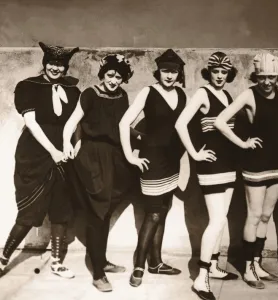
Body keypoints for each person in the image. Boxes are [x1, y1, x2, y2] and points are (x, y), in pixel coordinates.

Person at [0, 42, 80, 279]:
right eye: (53, 63)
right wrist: (53, 151)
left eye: (61, 65)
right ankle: (3, 259)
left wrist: (73, 144)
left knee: (61, 207)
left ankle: (56, 262)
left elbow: (75, 122)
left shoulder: (73, 90)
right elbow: (32, 123)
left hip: (63, 153)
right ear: (45, 64)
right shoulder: (28, 87)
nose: (57, 68)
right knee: (29, 210)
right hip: (35, 152)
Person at [63, 53, 140, 292]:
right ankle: (97, 273)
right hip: (93, 157)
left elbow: (123, 127)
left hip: (116, 157)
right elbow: (72, 121)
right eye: (110, 75)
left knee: (105, 212)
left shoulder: (122, 95)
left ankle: (101, 261)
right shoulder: (90, 94)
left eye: (118, 77)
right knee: (97, 213)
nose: (114, 80)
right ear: (102, 74)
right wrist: (68, 142)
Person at [215, 52, 278, 289]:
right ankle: (247, 269)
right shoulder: (248, 94)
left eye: (272, 77)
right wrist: (243, 143)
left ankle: (257, 263)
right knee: (254, 216)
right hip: (255, 165)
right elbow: (220, 121)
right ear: (256, 76)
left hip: (277, 163)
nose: (267, 82)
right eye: (262, 76)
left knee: (266, 216)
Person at [119, 49, 188, 287]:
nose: (170, 75)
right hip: (151, 162)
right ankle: (139, 265)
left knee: (165, 209)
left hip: (172, 162)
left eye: (174, 71)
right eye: (166, 71)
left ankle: (156, 262)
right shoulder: (148, 92)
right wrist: (131, 156)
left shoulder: (181, 94)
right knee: (154, 213)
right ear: (158, 71)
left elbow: (183, 129)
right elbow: (124, 123)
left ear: (179, 73)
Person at [175, 52, 239, 300]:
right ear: (209, 73)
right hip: (211, 166)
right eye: (216, 72)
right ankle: (201, 280)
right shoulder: (203, 93)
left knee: (221, 220)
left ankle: (213, 265)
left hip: (229, 164)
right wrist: (194, 153)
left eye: (224, 72)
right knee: (216, 220)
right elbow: (181, 123)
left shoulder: (228, 95)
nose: (220, 76)